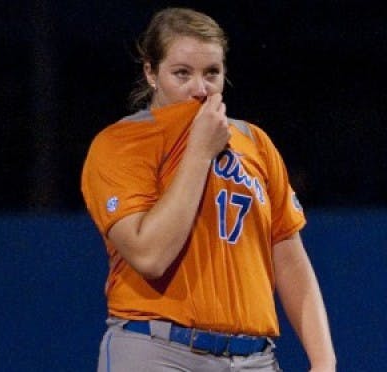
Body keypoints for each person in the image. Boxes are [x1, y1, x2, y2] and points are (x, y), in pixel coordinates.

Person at [81, 7, 336, 372]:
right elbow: (150, 257)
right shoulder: (122, 143)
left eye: (211, 73)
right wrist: (199, 152)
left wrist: (323, 360)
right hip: (158, 350)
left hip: (254, 358)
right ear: (151, 73)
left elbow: (289, 256)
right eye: (182, 73)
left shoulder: (254, 142)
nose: (200, 89)